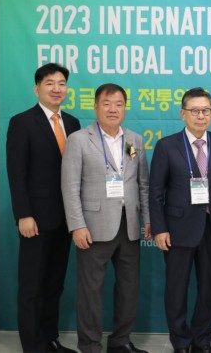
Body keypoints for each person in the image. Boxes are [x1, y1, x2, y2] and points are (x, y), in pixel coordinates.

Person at [61, 83, 151, 353]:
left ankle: (121, 341)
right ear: (96, 107)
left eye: (119, 104)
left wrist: (148, 219)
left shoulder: (134, 140)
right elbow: (70, 186)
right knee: (90, 291)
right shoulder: (79, 139)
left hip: (129, 226)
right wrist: (77, 225)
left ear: (125, 108)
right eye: (107, 103)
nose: (113, 109)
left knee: (129, 288)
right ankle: (89, 345)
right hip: (93, 227)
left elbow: (143, 184)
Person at [7, 63, 81, 353]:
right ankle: (32, 345)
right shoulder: (22, 122)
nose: (56, 89)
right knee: (32, 285)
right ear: (36, 89)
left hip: (65, 219)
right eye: (49, 83)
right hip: (35, 219)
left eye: (61, 83)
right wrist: (23, 214)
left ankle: (49, 339)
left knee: (54, 284)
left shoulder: (72, 123)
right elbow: (16, 173)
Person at [149, 88, 211, 353]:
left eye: (206, 110)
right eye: (195, 111)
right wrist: (159, 228)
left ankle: (202, 342)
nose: (201, 116)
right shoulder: (167, 146)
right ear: (183, 114)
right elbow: (156, 192)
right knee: (176, 289)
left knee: (209, 288)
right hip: (178, 229)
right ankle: (181, 343)